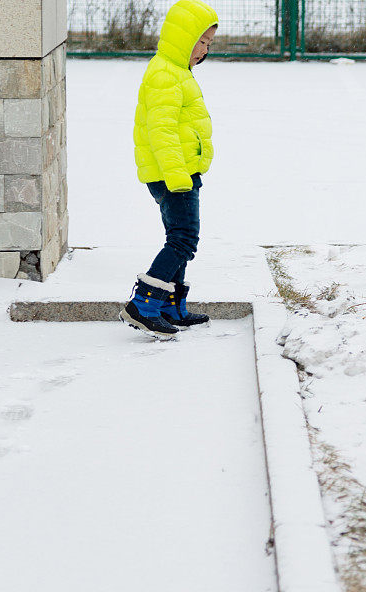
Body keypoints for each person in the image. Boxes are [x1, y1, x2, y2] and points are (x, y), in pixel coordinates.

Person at [120, 0, 219, 339]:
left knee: (179, 238)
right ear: (182, 38)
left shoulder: (174, 70)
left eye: (209, 43)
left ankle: (169, 305)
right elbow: (159, 130)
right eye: (201, 41)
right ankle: (144, 305)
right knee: (183, 240)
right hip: (172, 174)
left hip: (180, 171)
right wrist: (177, 175)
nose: (205, 49)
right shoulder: (165, 73)